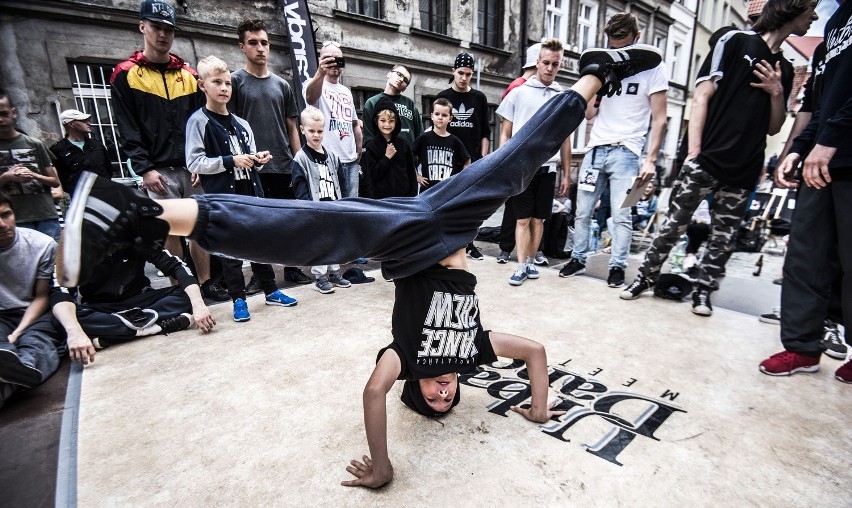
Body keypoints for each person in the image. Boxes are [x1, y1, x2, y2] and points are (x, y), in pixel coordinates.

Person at [57, 44, 663, 488]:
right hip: (444, 225)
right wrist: (536, 407)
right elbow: (533, 352)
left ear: (419, 390)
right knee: (518, 161)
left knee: (323, 232)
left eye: (435, 396)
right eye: (452, 394)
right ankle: (596, 77)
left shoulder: (408, 360)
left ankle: (147, 215)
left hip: (411, 240)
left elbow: (376, 393)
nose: (446, 388)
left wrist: (383, 464)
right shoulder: (473, 351)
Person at [620, 0, 816, 317]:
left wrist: (777, 92)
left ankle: (703, 293)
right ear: (789, 10)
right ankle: (644, 279)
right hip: (706, 160)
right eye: (810, 10)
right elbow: (701, 96)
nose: (815, 17)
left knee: (723, 240)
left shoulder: (786, 69)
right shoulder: (734, 41)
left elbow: (774, 126)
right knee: (672, 228)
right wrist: (694, 154)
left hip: (744, 168)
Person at [758, 0, 851, 383]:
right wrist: (796, 148)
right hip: (820, 157)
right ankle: (802, 347)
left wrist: (831, 139)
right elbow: (818, 96)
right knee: (805, 256)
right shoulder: (838, 21)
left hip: (843, 151)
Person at [110, 0, 219, 300]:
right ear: (142, 26)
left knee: (199, 225)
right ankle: (180, 288)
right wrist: (144, 168)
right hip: (157, 170)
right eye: (156, 27)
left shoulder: (188, 74)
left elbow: (201, 123)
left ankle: (207, 281)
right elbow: (127, 127)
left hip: (191, 168)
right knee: (170, 229)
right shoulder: (126, 74)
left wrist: (199, 161)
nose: (163, 34)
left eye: (168, 29)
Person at [559, 13, 668, 289]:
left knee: (622, 214)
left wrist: (651, 160)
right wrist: (595, 85)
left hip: (628, 153)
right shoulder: (606, 65)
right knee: (582, 211)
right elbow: (589, 115)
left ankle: (617, 267)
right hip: (596, 149)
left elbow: (661, 118)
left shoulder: (653, 67)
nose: (619, 52)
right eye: (614, 46)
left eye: (624, 46)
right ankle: (578, 258)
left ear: (637, 39)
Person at [186, 56, 297, 321]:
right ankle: (239, 299)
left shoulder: (242, 124)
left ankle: (271, 290)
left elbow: (247, 160)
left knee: (260, 242)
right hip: (223, 198)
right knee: (231, 251)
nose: (224, 88)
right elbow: (194, 162)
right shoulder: (198, 121)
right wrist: (229, 161)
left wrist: (258, 160)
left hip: (251, 193)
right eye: (217, 82)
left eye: (227, 83)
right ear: (203, 85)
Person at [229, 18, 312, 289]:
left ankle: (291, 269)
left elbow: (292, 126)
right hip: (252, 167)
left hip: (284, 164)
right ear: (242, 47)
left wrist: (301, 160)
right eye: (253, 43)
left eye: (264, 42)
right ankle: (260, 276)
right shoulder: (234, 82)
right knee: (257, 225)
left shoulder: (282, 85)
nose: (260, 48)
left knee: (288, 221)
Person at [497, 38, 572, 286]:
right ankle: (519, 266)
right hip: (521, 166)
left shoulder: (562, 97)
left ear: (560, 65)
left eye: (555, 64)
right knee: (521, 219)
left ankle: (530, 262)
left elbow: (565, 137)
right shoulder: (519, 93)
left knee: (539, 219)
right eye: (546, 63)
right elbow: (505, 133)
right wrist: (503, 164)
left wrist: (566, 173)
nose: (550, 68)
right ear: (537, 63)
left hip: (548, 167)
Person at [0, 191, 63, 408]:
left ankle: (21, 368)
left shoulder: (41, 245)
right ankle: (10, 374)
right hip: (1, 314)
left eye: (6, 215)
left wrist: (18, 331)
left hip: (35, 312)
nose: (2, 224)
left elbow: (42, 296)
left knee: (38, 341)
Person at [292, 106, 352, 293]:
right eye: (311, 131)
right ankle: (320, 276)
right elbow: (299, 187)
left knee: (334, 240)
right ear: (302, 130)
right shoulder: (300, 159)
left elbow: (341, 181)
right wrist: (308, 208)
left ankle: (334, 272)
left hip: (333, 206)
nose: (316, 135)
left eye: (319, 131)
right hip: (316, 209)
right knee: (319, 243)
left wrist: (342, 202)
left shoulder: (332, 156)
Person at [437, 52, 490, 260]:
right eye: (460, 73)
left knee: (471, 207)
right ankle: (447, 241)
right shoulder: (444, 96)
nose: (464, 78)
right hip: (447, 161)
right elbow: (437, 128)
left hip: (473, 162)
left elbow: (485, 132)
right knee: (448, 203)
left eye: (468, 74)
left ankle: (469, 243)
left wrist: (482, 160)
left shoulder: (479, 98)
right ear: (453, 71)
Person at [495, 42, 543, 265]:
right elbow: (507, 122)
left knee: (527, 212)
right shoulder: (518, 87)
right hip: (519, 158)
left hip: (532, 159)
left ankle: (523, 250)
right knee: (515, 209)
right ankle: (506, 248)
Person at [304, 40, 363, 199]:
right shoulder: (313, 84)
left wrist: (359, 150)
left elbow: (355, 123)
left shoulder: (346, 91)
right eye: (329, 58)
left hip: (350, 161)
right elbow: (310, 98)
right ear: (320, 60)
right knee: (329, 206)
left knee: (352, 208)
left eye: (338, 59)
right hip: (327, 160)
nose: (334, 63)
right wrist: (320, 72)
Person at [0, 91, 62, 242]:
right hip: (14, 218)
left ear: (13, 113)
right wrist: (8, 177)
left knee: (54, 262)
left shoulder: (34, 144)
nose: (0, 119)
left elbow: (55, 182)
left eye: (3, 113)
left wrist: (34, 175)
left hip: (45, 213)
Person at [361, 97, 417, 199]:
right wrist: (387, 157)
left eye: (391, 121)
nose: (387, 124)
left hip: (404, 199)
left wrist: (412, 197)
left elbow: (411, 174)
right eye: (383, 120)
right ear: (376, 121)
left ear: (396, 122)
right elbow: (372, 175)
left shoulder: (404, 145)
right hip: (381, 201)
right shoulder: (371, 146)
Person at [412, 98, 470, 191]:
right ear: (432, 116)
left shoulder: (454, 141)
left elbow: (467, 159)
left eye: (444, 115)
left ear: (450, 118)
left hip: (447, 191)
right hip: (427, 191)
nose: (440, 117)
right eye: (437, 114)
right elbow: (408, 155)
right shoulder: (424, 138)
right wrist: (416, 175)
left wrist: (461, 180)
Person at [50, 109, 112, 195]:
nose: (89, 123)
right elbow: (56, 176)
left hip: (104, 194)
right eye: (83, 121)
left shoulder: (97, 145)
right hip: (78, 198)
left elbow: (108, 169)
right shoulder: (58, 149)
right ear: (71, 124)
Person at [362, 65, 423, 147]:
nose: (401, 79)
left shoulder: (409, 104)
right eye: (399, 74)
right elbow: (369, 137)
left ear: (405, 88)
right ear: (389, 74)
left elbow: (420, 135)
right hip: (383, 156)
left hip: (408, 156)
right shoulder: (372, 102)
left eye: (405, 80)